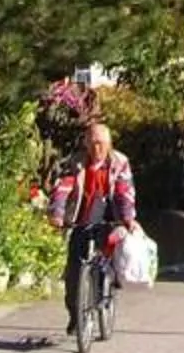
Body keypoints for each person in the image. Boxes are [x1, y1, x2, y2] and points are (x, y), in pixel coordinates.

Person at [48, 121, 140, 338]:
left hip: (110, 217)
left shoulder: (120, 163)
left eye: (101, 143)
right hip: (82, 218)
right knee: (73, 272)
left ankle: (107, 284)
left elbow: (124, 192)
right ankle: (75, 314)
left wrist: (127, 218)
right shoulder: (76, 162)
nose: (97, 148)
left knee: (106, 256)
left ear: (109, 144)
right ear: (86, 143)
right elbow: (63, 188)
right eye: (93, 143)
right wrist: (58, 213)